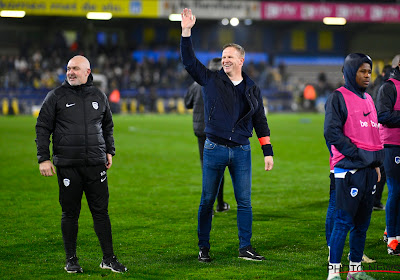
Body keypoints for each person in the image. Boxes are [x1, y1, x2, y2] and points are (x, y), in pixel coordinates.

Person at [180, 8, 274, 263]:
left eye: (230, 56)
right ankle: (203, 248)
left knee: (244, 202)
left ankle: (245, 248)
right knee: (207, 200)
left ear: (241, 60)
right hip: (215, 148)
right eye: (223, 56)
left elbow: (260, 120)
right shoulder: (210, 80)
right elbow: (189, 62)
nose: (225, 60)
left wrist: (267, 151)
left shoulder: (252, 88)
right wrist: (186, 31)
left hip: (242, 151)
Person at [35, 55, 127, 274]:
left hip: (96, 164)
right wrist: (44, 158)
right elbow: (42, 127)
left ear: (87, 71)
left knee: (101, 213)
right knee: (70, 213)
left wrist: (109, 151)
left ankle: (109, 258)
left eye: (75, 68)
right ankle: (71, 259)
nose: (70, 72)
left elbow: (108, 126)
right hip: (68, 165)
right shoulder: (55, 96)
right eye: (68, 68)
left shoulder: (99, 95)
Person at [324, 53, 384, 280]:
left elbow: (374, 133)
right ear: (350, 72)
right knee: (343, 222)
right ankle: (334, 273)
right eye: (362, 71)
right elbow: (331, 133)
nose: (367, 75)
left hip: (369, 170)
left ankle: (355, 271)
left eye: (369, 71)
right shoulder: (338, 97)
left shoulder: (369, 99)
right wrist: (357, 156)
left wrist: (376, 163)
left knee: (362, 225)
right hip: (349, 170)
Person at [184, 57, 230, 214]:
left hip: (201, 131)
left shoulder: (196, 83)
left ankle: (208, 207)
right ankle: (220, 204)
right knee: (218, 167)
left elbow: (187, 103)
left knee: (207, 168)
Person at [376, 54, 400, 255]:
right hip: (392, 146)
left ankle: (392, 232)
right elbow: (382, 115)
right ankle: (392, 240)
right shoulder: (389, 87)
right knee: (396, 190)